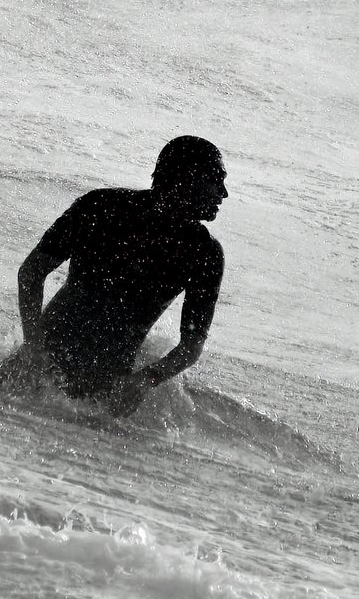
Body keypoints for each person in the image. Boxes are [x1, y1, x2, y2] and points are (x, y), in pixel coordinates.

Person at [12, 135, 226, 415]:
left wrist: (145, 380)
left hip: (85, 388)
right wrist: (33, 349)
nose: (223, 193)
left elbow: (191, 346)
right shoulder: (100, 207)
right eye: (216, 180)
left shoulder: (202, 253)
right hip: (82, 393)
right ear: (188, 179)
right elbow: (31, 272)